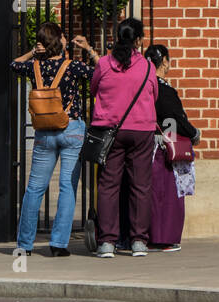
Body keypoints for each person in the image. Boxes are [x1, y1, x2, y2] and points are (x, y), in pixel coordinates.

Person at [11, 23, 95, 257]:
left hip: (44, 132)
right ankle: (58, 244)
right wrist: (88, 49)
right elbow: (101, 73)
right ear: (60, 41)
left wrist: (32, 52)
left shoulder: (34, 67)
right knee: (67, 187)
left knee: (35, 188)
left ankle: (25, 245)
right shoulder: (73, 67)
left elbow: (14, 64)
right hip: (71, 129)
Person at [91, 18, 159, 259]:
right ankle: (138, 240)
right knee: (140, 186)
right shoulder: (148, 67)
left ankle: (107, 241)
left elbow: (94, 88)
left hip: (110, 130)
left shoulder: (104, 63)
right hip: (141, 129)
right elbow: (154, 93)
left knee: (108, 185)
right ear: (138, 40)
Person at [143, 45, 199, 252]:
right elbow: (175, 119)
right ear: (164, 61)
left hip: (143, 146)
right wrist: (193, 133)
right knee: (166, 195)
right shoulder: (164, 90)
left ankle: (144, 235)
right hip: (163, 149)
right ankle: (164, 238)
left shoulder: (142, 86)